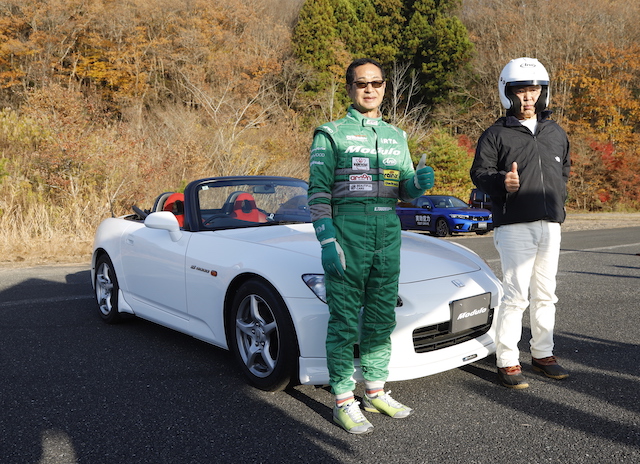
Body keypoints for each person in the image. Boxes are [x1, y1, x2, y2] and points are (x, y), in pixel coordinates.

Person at [307, 58, 434, 433]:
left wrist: (417, 184)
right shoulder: (331, 134)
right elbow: (317, 191)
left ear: (384, 88)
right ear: (349, 88)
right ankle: (343, 400)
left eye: (376, 83)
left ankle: (375, 391)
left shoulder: (397, 136)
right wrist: (327, 238)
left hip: (388, 230)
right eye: (361, 83)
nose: (369, 89)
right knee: (344, 320)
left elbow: (405, 189)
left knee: (381, 317)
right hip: (348, 229)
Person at [470, 57, 571, 389]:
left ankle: (543, 354)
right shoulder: (496, 134)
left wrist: (558, 203)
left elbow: (564, 171)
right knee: (515, 296)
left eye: (534, 90)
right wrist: (503, 182)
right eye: (521, 91)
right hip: (514, 225)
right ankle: (507, 360)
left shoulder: (555, 132)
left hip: (550, 225)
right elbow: (479, 173)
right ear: (507, 93)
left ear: (544, 93)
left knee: (547, 294)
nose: (528, 97)